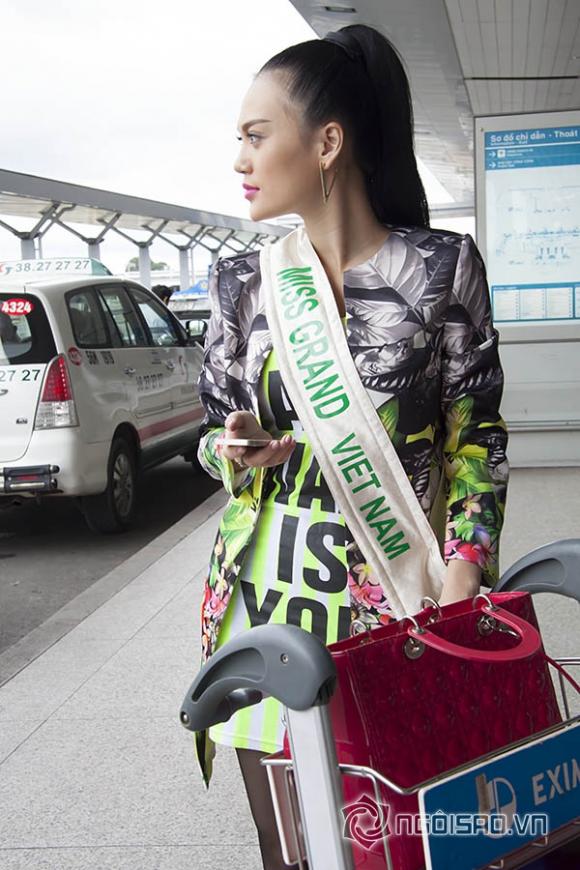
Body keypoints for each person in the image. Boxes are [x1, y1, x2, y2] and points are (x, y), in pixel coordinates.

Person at [193, 23, 508, 870]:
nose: (241, 159)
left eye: (257, 136)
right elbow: (213, 447)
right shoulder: (240, 285)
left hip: (399, 597)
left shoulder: (441, 271)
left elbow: (476, 436)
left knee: (403, 837)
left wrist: (462, 578)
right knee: (288, 846)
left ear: (327, 142)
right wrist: (238, 449)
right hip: (268, 607)